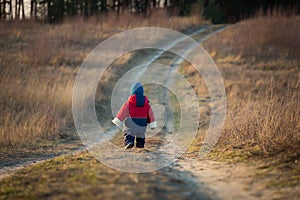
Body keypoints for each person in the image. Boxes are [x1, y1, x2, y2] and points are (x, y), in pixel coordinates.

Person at [112, 82, 157, 149]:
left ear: (132, 91)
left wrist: (118, 120)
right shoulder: (146, 104)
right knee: (141, 134)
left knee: (129, 133)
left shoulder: (128, 103)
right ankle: (140, 145)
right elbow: (150, 115)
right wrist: (152, 123)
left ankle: (129, 142)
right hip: (142, 124)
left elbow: (122, 113)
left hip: (131, 124)